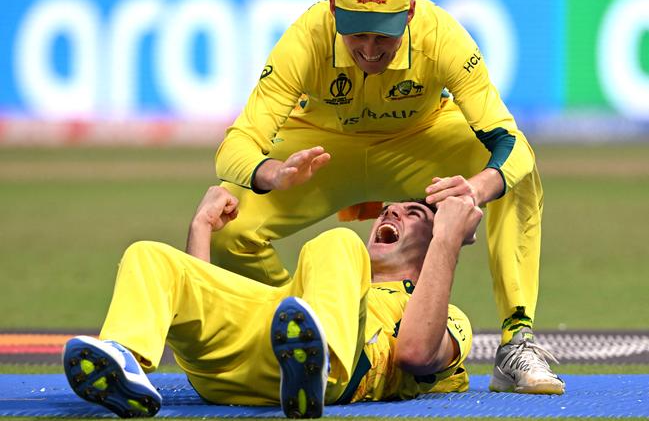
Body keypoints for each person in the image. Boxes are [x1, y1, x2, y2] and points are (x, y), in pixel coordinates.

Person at [210, 0, 563, 394]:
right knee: (227, 226)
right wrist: (272, 174)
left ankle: (517, 340)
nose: (371, 51)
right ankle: (303, 329)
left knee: (514, 172)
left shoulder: (442, 36)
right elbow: (234, 147)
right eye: (357, 33)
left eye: (386, 35)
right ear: (334, 9)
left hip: (422, 143)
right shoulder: (307, 36)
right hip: (323, 151)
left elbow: (509, 143)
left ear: (410, 13)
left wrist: (476, 187)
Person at [62, 185, 501, 418]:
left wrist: (448, 237)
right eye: (390, 209)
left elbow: (417, 354)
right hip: (259, 353)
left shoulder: (448, 318)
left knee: (335, 245)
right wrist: (201, 229)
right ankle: (125, 365)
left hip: (341, 373)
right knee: (149, 255)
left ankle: (318, 360)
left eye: (413, 213)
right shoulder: (326, 292)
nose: (391, 213)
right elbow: (209, 300)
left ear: (433, 239)